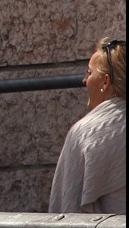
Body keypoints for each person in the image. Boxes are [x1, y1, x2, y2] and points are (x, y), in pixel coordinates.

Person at [48, 37, 126, 213]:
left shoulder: (85, 134)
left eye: (89, 73)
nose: (84, 81)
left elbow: (66, 211)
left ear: (105, 82)